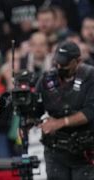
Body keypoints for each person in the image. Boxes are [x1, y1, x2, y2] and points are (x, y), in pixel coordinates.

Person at [37, 41, 94, 180]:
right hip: (55, 150)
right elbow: (36, 106)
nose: (59, 67)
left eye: (64, 64)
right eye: (57, 62)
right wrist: (28, 119)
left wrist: (60, 122)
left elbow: (90, 112)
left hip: (84, 151)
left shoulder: (90, 76)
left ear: (77, 61)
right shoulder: (47, 78)